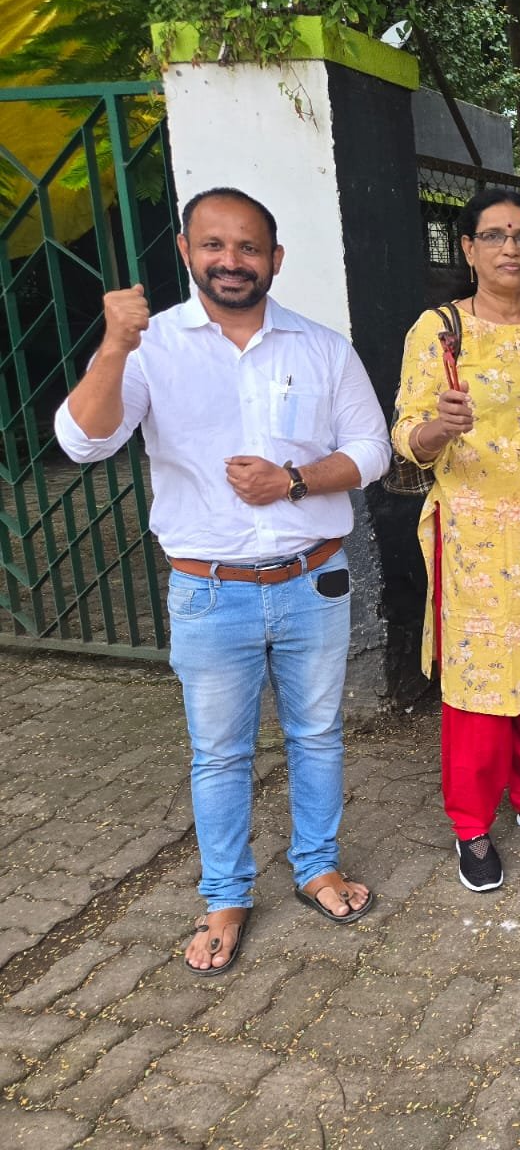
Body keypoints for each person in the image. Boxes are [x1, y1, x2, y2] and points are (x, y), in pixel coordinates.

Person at [54, 187, 390, 975]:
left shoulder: (321, 347)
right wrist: (114, 346)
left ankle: (317, 867)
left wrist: (294, 481)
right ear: (185, 251)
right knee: (219, 754)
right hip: (209, 591)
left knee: (317, 735)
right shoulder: (150, 348)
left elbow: (371, 449)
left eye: (248, 247)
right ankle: (226, 895)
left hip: (313, 580)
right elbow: (82, 442)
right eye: (214, 245)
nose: (231, 261)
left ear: (275, 259)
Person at [391, 188, 520, 893]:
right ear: (469, 248)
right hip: (476, 539)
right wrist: (439, 429)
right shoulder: (440, 329)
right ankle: (472, 823)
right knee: (481, 676)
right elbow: (407, 437)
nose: (510, 247)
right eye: (494, 235)